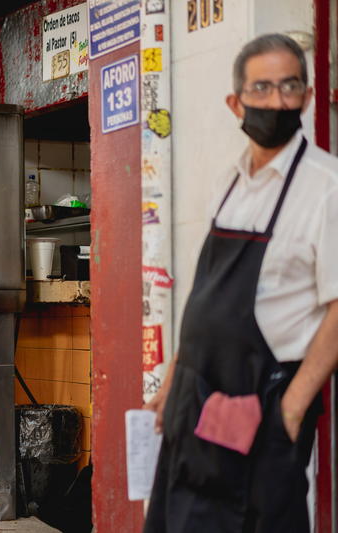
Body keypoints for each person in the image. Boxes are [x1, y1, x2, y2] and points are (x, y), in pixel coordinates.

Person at [143, 34, 338, 533]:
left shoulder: (326, 186)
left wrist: (293, 410)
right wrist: (173, 379)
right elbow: (204, 293)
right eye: (263, 87)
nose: (277, 101)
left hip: (265, 412)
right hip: (196, 401)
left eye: (290, 86)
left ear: (308, 96)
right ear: (237, 102)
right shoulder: (227, 181)